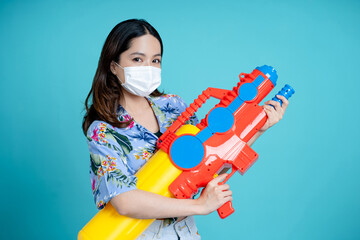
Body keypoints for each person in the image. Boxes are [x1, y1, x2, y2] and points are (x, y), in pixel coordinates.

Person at [82, 19, 289, 240]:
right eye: (137, 59)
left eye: (155, 60)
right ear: (114, 66)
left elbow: (210, 164)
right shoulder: (103, 130)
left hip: (185, 233)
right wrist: (199, 206)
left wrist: (257, 129)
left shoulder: (173, 106)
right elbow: (124, 201)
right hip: (137, 234)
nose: (148, 68)